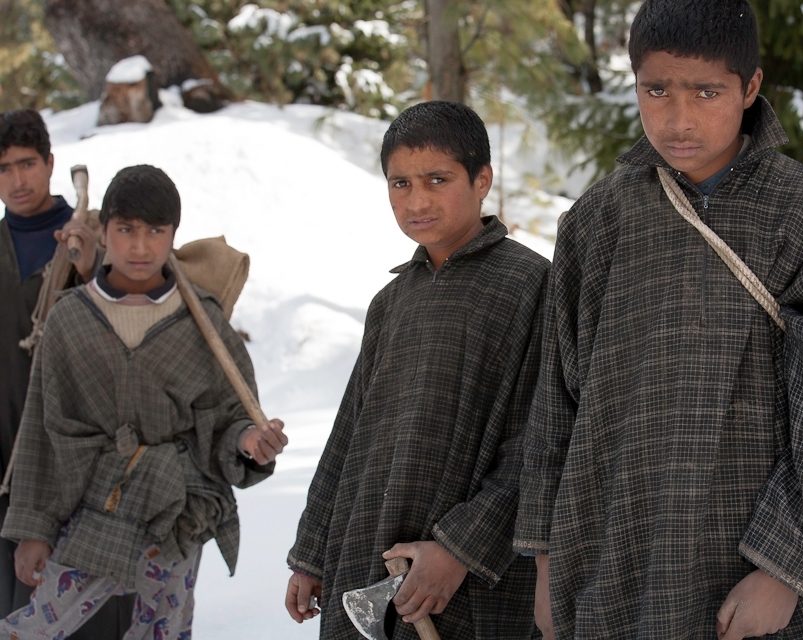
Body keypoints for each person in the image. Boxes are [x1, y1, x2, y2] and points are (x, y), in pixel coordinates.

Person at [513, 1, 803, 639]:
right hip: (608, 548)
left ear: (751, 88)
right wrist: (547, 560)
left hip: (744, 563)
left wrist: (782, 571)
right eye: (657, 90)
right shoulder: (596, 220)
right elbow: (555, 406)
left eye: (707, 92)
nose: (679, 119)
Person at [285, 101, 549, 639]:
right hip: (367, 551)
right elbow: (348, 436)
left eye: (437, 179)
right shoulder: (390, 302)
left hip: (467, 578)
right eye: (399, 184)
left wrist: (459, 548)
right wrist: (312, 551)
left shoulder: (531, 286)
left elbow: (542, 444)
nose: (417, 200)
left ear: (482, 180)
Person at [0, 164, 288, 639]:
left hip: (175, 510)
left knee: (163, 631)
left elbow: (227, 417)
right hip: (90, 507)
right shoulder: (70, 319)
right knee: (37, 626)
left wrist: (248, 440)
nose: (139, 246)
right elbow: (41, 431)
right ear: (105, 231)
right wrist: (35, 528)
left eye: (156, 231)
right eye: (126, 230)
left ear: (174, 235)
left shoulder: (201, 321)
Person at [0, 109, 138, 639]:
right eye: (5, 167)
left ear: (51, 162)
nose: (17, 180)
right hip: (6, 467)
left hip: (81, 466)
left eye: (28, 164)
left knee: (88, 617)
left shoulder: (96, 240)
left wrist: (88, 269)